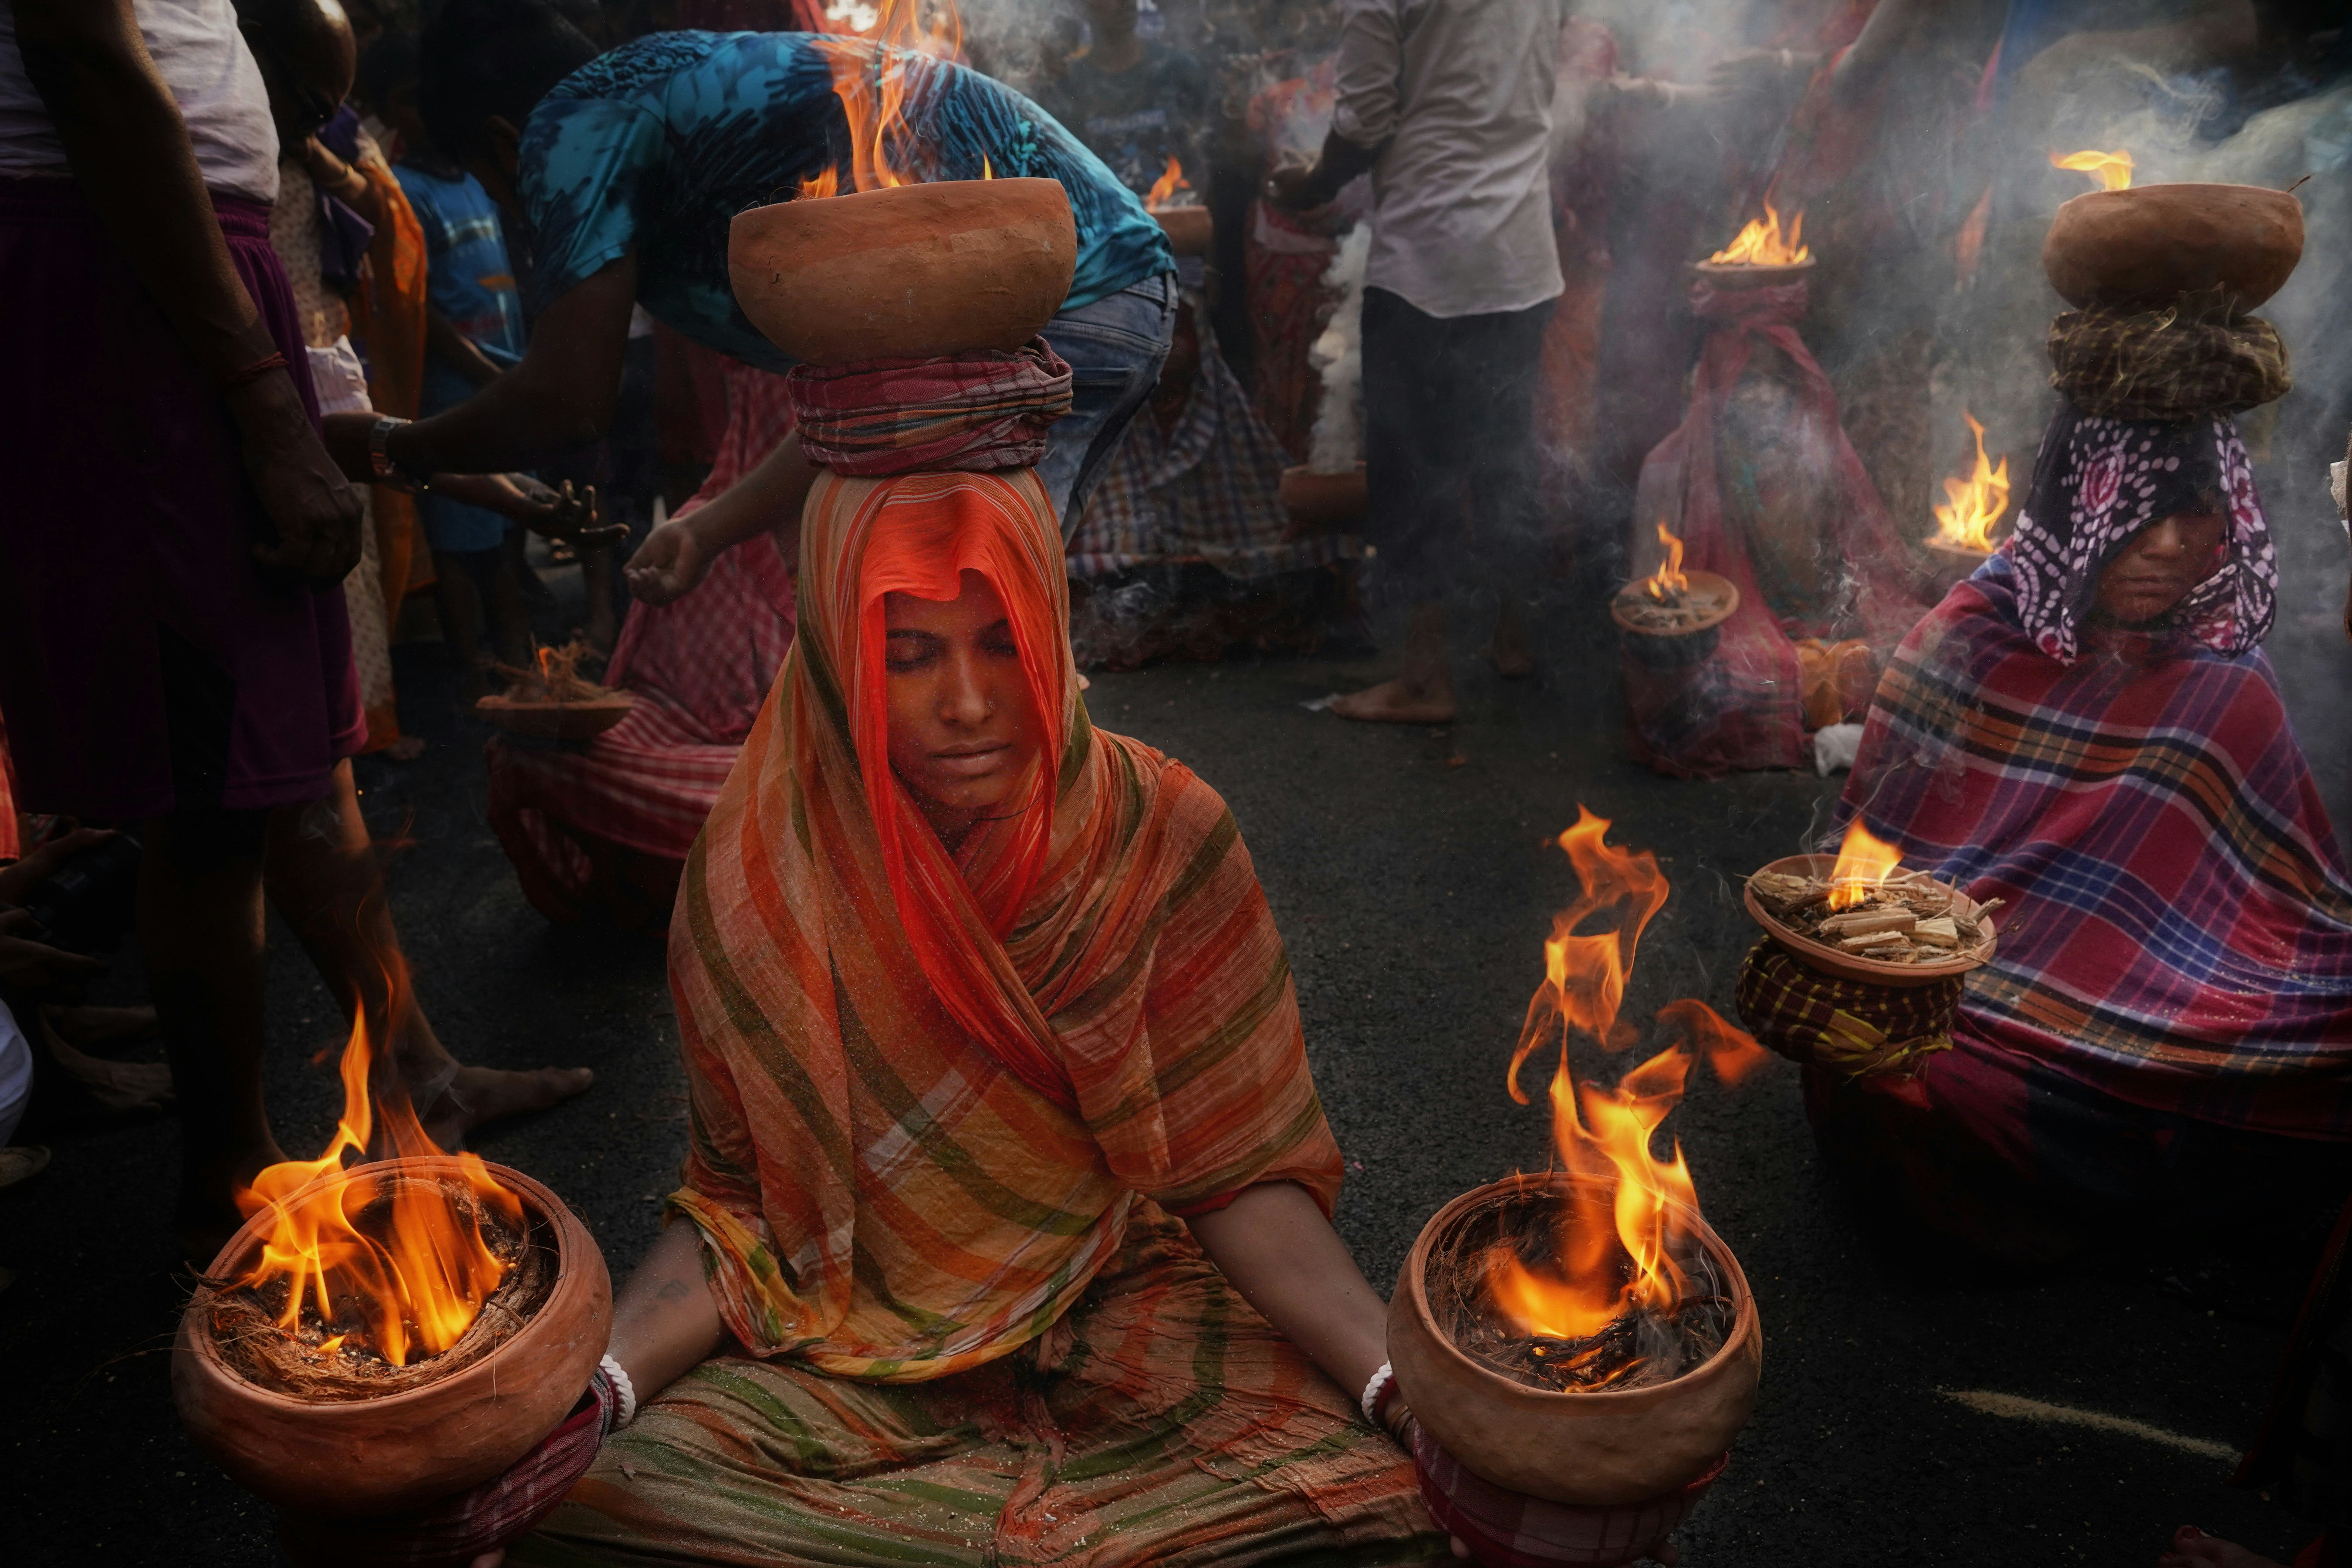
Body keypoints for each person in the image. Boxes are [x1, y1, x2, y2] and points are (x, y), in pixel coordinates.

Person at [296, 351, 1451, 1568]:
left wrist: (1400, 1387)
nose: (968, 703)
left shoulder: (1160, 834)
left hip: (1115, 1304)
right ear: (839, 666)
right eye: (909, 657)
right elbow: (747, 1219)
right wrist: (590, 1398)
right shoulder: (756, 880)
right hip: (839, 1338)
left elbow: (1233, 1174)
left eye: (1003, 643)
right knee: (586, 1506)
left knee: (1396, 1501)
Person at [0, 0, 592, 1252]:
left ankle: (415, 1072)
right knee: (214, 794)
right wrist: (260, 400)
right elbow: (79, 47)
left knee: (293, 761)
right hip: (129, 263)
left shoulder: (273, 167)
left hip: (190, 268)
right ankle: (233, 1184)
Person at [1744, 402, 2352, 1268]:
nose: (2174, 543)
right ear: (2073, 508)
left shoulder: (2229, 683)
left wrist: (2167, 1021)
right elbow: (1860, 882)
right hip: (1956, 998)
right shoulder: (1969, 638)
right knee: (1883, 1070)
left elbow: (2279, 918)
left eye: (2198, 511)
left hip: (2175, 1012)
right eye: (2140, 510)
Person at [341, 0, 1176, 605]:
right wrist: (705, 530)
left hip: (1064, 298)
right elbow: (869, 407)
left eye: (495, 186)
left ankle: (1010, 834)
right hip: (1100, 293)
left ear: (503, 143)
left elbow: (569, 398)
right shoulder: (651, 93)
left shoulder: (572, 119)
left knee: (952, 611)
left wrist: (395, 447)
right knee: (897, 596)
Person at [1270, 0, 1571, 723]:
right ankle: (1514, 637)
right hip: (1521, 257)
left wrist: (1312, 183)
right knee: (1505, 457)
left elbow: (1365, 123)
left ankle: (1425, 679)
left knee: (1414, 475)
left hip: (1430, 264)